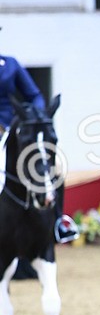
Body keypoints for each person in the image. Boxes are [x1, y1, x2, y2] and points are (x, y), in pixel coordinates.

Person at [0, 35, 77, 242]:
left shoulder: (10, 64)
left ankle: (58, 223)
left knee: (55, 167)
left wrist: (36, 117)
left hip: (13, 132)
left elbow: (34, 95)